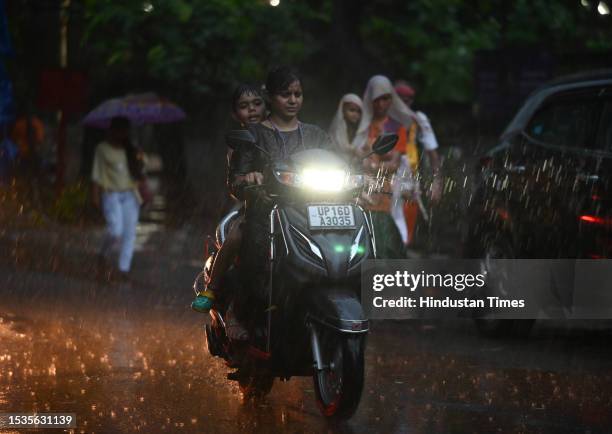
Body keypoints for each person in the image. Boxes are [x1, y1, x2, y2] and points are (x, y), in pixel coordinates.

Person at [192, 83, 266, 313]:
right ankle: (212, 288)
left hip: (290, 203)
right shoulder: (239, 143)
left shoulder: (277, 133)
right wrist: (249, 179)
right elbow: (236, 179)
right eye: (244, 106)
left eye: (256, 104)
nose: (252, 110)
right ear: (235, 114)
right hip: (253, 203)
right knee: (237, 235)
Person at [354, 75, 416, 258]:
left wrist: (369, 163)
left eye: (386, 98)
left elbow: (394, 164)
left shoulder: (396, 127)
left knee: (385, 238)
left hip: (386, 190)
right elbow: (353, 156)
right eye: (377, 99)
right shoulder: (360, 124)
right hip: (359, 186)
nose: (381, 104)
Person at [91, 116, 144, 278]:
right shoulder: (102, 149)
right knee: (115, 230)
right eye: (118, 129)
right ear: (112, 130)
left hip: (130, 195)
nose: (121, 133)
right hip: (111, 194)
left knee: (129, 234)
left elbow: (141, 173)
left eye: (124, 130)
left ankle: (123, 269)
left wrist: (139, 158)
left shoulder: (131, 150)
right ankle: (103, 253)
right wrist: (95, 196)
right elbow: (97, 175)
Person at [394, 80, 442, 245]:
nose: (404, 103)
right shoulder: (382, 119)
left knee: (405, 235)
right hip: (385, 182)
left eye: (408, 99)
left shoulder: (419, 120)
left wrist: (436, 182)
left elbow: (432, 153)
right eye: (399, 98)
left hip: (408, 183)